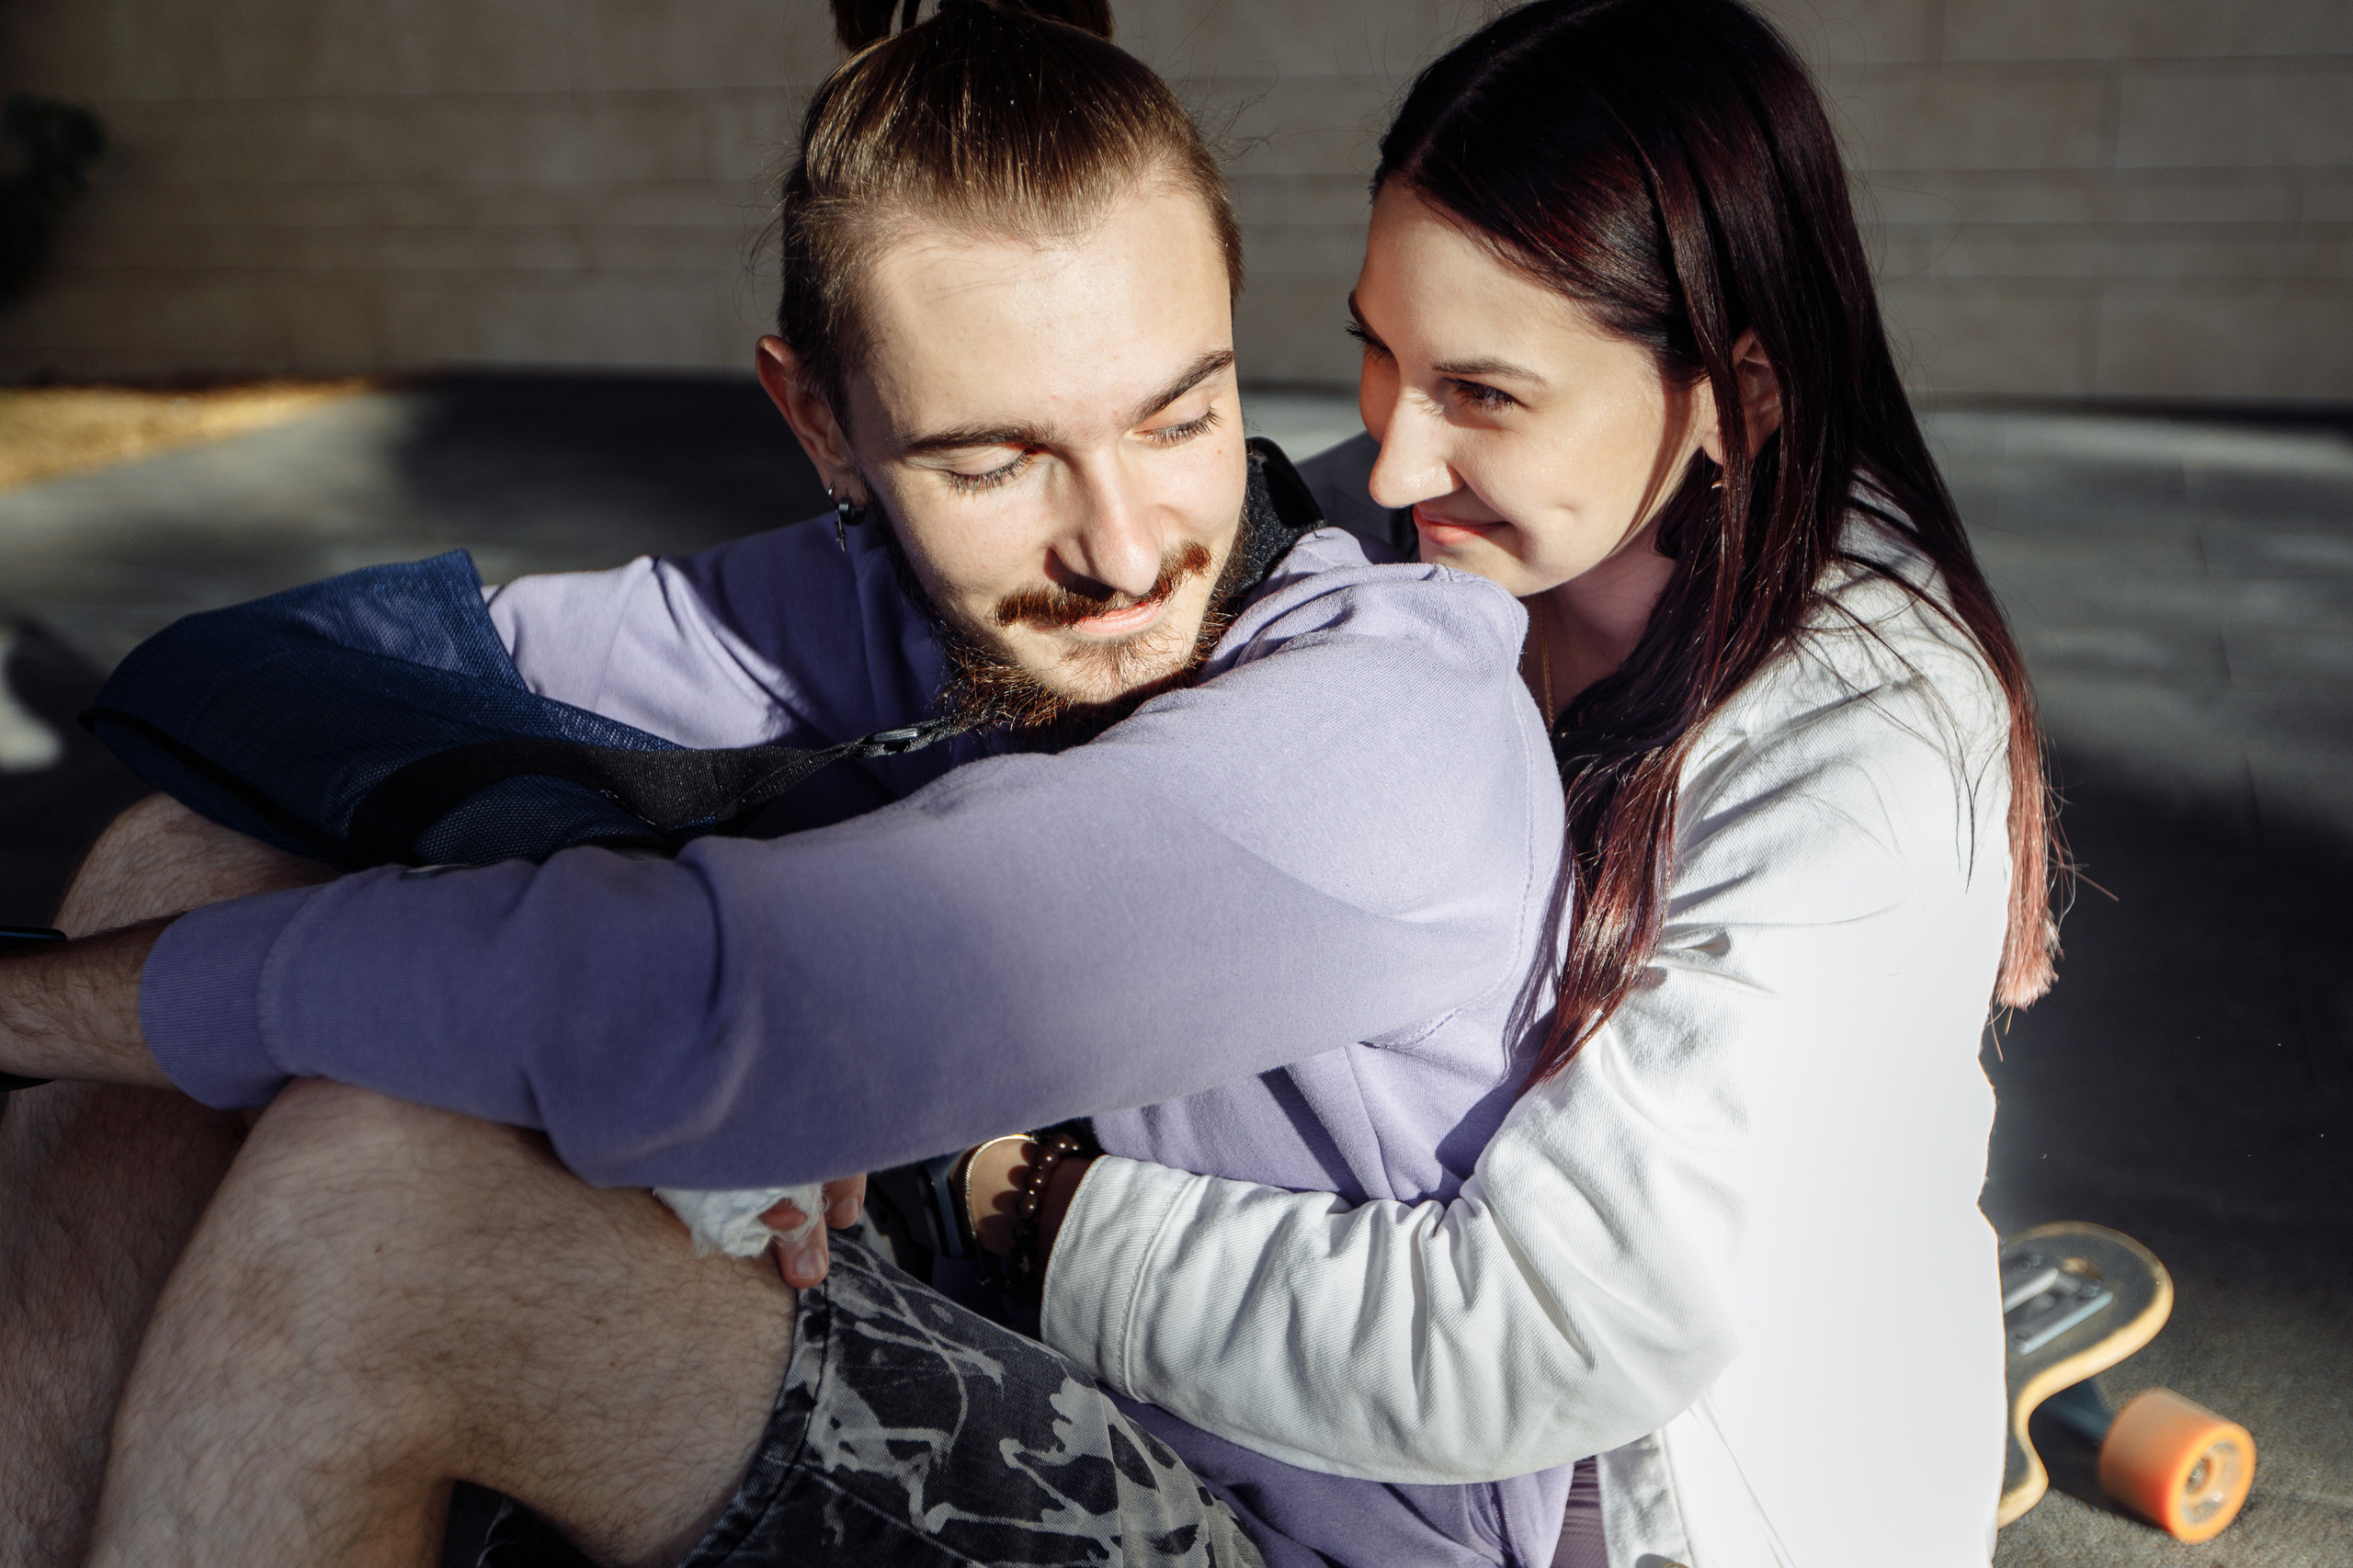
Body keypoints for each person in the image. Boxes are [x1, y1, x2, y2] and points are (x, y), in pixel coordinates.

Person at [0, 5, 1572, 1567]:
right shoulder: (882, 612)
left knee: (382, 1207)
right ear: (820, 420)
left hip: (1270, 1529)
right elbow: (306, 682)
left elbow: (694, 1004)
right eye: (992, 462)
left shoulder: (1382, 732)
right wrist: (720, 956)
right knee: (187, 854)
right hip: (983, 1344)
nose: (1122, 547)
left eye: (1182, 416)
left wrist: (23, 1012)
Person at [1001, 2, 2064, 1562]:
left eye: (1485, 395)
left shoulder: (1870, 754)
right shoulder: (1474, 570)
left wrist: (1035, 1211)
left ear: (1738, 397)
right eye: (1378, 349)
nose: (1392, 464)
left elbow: (1550, 1327)